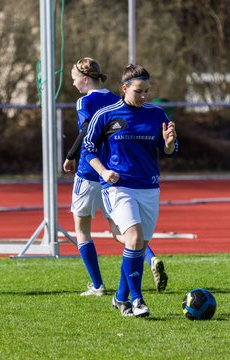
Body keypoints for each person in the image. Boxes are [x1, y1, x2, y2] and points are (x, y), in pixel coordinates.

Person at [64, 58, 167, 300]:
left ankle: (98, 285)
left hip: (92, 173)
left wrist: (71, 155)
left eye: (74, 79)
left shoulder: (85, 101)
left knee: (82, 229)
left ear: (85, 79)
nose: (73, 84)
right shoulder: (115, 98)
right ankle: (150, 259)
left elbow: (87, 130)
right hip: (118, 176)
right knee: (123, 229)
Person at [82, 64, 178, 317]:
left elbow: (168, 150)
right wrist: (103, 172)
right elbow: (88, 149)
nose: (144, 96)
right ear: (124, 88)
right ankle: (137, 301)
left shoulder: (157, 114)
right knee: (134, 238)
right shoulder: (105, 115)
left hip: (149, 187)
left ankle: (120, 297)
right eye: (139, 91)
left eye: (147, 91)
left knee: (140, 244)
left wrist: (168, 144)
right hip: (118, 187)